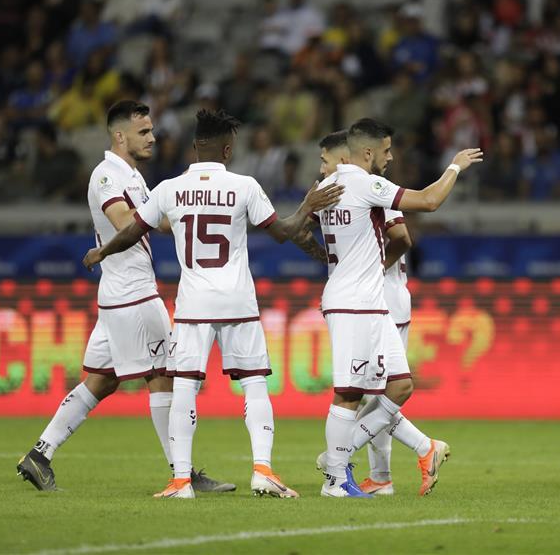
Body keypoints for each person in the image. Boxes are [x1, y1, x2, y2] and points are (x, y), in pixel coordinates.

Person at [83, 109, 342, 499]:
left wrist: (102, 251)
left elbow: (131, 231)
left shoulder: (169, 189)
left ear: (194, 147)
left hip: (193, 304)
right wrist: (307, 206)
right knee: (254, 384)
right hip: (238, 301)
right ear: (227, 149)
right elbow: (283, 232)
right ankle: (263, 471)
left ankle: (180, 481)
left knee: (184, 387)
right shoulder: (244, 186)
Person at [17, 101, 234, 494]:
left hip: (120, 295)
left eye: (151, 130)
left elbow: (159, 222)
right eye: (143, 132)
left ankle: (39, 454)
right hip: (133, 294)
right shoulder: (106, 175)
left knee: (101, 381)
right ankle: (182, 472)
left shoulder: (133, 176)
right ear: (120, 136)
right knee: (162, 376)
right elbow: (124, 221)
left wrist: (190, 209)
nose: (152, 138)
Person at [307, 118, 482, 498]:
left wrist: (324, 254)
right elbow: (429, 202)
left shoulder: (325, 189)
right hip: (354, 303)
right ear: (366, 152)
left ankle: (343, 457)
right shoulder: (365, 185)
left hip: (374, 302)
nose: (390, 157)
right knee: (351, 393)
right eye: (386, 150)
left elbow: (298, 230)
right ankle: (337, 477)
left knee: (400, 386)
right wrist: (455, 167)